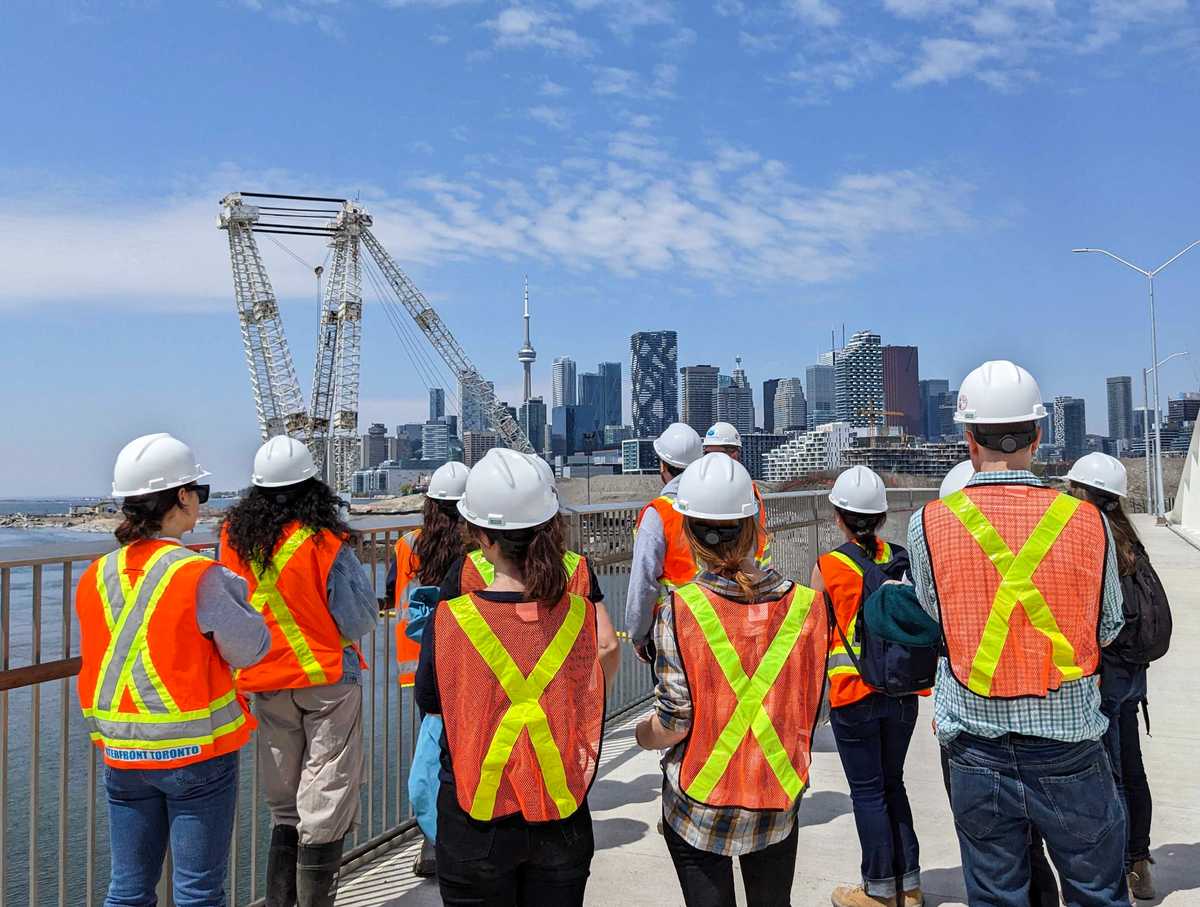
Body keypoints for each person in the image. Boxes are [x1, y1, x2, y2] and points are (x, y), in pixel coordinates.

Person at [909, 360, 1128, 907]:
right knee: (1096, 892)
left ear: (968, 440)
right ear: (1038, 433)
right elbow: (1109, 624)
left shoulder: (929, 522)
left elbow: (939, 619)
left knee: (997, 894)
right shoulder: (1088, 520)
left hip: (976, 747)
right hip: (1070, 746)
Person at [414, 448, 620, 906]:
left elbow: (431, 699)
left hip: (476, 819)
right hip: (560, 813)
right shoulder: (579, 616)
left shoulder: (452, 618)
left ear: (482, 537)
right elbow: (595, 675)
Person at [75, 433, 270, 907]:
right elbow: (249, 650)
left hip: (122, 753)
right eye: (198, 493)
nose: (200, 503)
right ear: (181, 497)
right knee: (198, 891)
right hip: (194, 754)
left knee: (127, 889)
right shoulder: (196, 574)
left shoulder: (97, 574)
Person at [634, 452, 827, 907]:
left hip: (700, 804)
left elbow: (674, 723)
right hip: (775, 797)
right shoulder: (807, 608)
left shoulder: (679, 610)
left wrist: (644, 735)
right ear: (755, 527)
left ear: (688, 533)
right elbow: (814, 711)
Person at [220, 436, 378, 907]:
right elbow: (360, 618)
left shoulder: (232, 540)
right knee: (325, 790)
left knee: (285, 801)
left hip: (265, 680)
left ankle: (278, 901)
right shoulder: (325, 539)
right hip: (327, 678)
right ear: (312, 486)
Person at [934, 460, 1060, 907]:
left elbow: (931, 618)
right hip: (1053, 729)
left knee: (993, 870)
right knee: (1036, 849)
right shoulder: (1063, 532)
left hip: (973, 734)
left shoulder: (939, 540)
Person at [810, 465, 924, 907]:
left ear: (838, 516)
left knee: (868, 791)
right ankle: (909, 885)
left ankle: (878, 891)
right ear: (880, 517)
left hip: (852, 695)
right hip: (901, 689)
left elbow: (814, 635)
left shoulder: (829, 566)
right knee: (893, 782)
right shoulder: (901, 559)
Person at [1066, 452, 1158, 901]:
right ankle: (1139, 863)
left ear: (1081, 492)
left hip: (1106, 674)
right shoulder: (1128, 538)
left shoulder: (1089, 535)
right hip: (1133, 673)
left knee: (1110, 775)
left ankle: (1118, 868)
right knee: (1132, 768)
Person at [384, 460, 470, 879]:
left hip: (426, 666)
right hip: (476, 665)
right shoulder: (479, 546)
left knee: (432, 754)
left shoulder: (408, 545)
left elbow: (392, 598)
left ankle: (434, 841)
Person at [626, 422, 704, 663]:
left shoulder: (659, 513)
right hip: (724, 619)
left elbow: (644, 580)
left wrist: (638, 635)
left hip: (676, 628)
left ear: (663, 465)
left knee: (677, 698)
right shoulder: (716, 503)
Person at [702, 421, 772, 566]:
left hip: (750, 569)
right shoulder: (701, 488)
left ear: (734, 454)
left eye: (716, 454)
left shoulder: (745, 489)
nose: (710, 460)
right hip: (722, 574)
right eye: (707, 454)